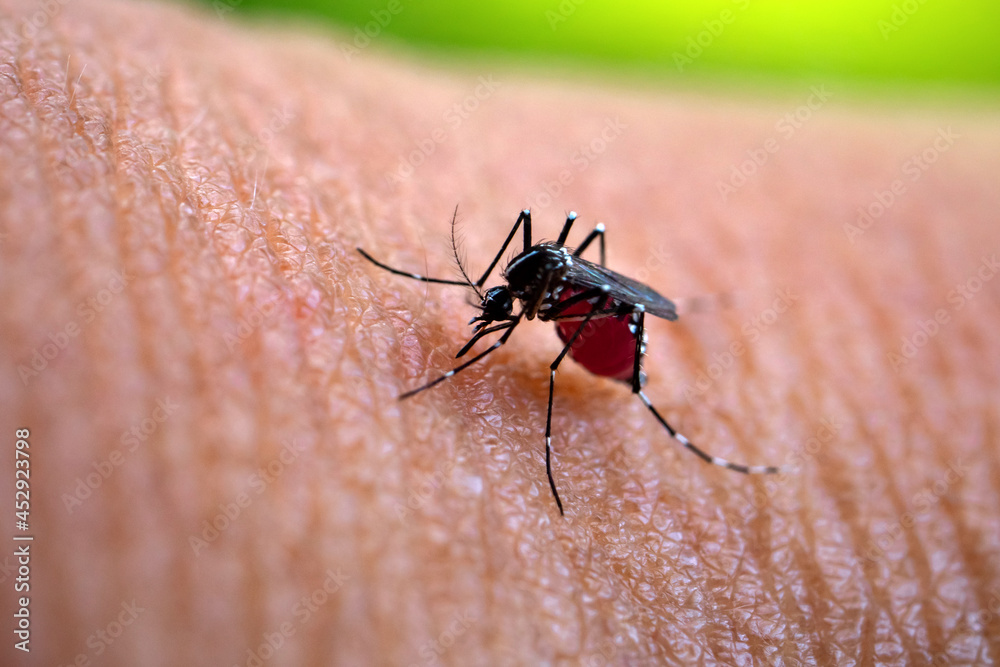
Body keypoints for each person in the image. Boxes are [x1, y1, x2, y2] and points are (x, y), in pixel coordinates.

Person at [5, 0, 998, 664]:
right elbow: (529, 277)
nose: (487, 321)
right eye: (497, 308)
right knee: (562, 261)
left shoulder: (550, 298)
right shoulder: (528, 276)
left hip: (603, 323)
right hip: (584, 297)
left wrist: (552, 338)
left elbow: (554, 290)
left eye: (494, 310)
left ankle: (663, 431)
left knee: (572, 312)